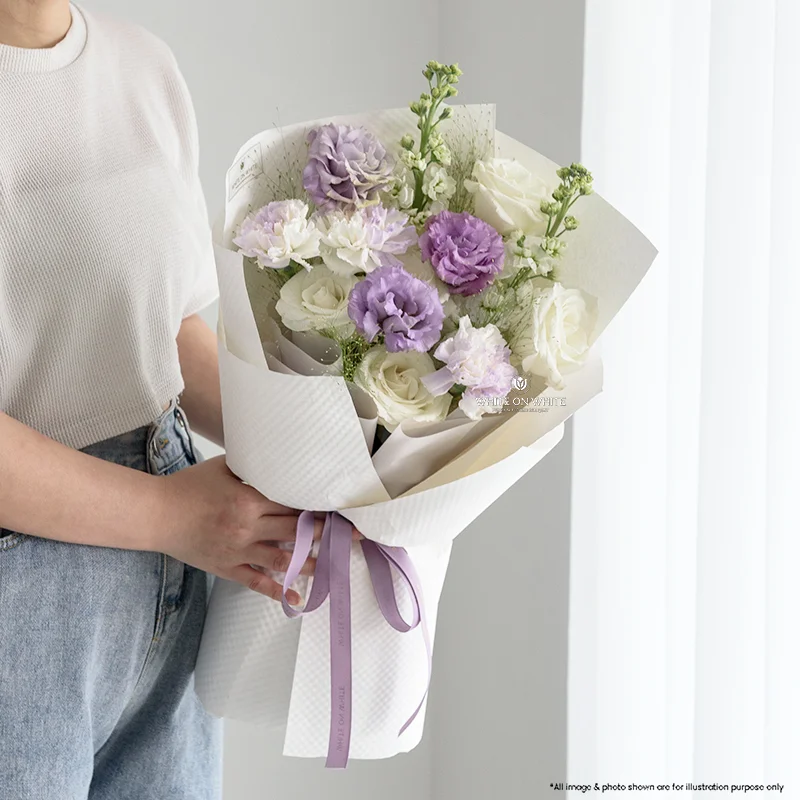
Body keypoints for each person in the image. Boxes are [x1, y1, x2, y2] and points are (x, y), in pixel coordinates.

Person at [0, 2, 316, 797]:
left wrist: (333, 446)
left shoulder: (144, 67)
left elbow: (164, 331)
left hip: (174, 566)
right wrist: (174, 517)